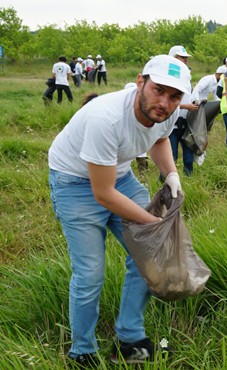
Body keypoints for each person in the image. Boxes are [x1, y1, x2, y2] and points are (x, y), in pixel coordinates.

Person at [48, 54, 189, 366]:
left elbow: (160, 138)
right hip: (75, 182)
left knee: (148, 254)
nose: (165, 102)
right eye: (158, 90)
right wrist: (153, 222)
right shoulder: (106, 118)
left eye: (174, 96)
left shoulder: (165, 111)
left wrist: (171, 174)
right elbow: (104, 194)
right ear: (141, 82)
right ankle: (82, 351)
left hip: (119, 176)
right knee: (90, 273)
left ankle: (129, 338)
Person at [168, 45, 198, 176]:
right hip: (171, 124)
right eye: (183, 57)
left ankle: (189, 181)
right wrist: (186, 107)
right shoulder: (168, 79)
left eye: (186, 58)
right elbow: (166, 103)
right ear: (173, 58)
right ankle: (164, 184)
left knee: (188, 157)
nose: (186, 60)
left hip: (186, 122)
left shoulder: (186, 78)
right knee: (170, 158)